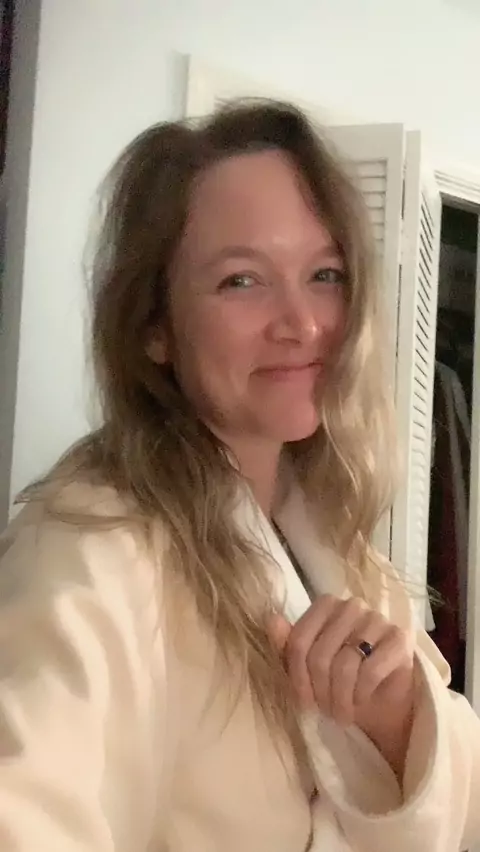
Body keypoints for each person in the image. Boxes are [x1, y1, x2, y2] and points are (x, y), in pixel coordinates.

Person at [0, 99, 479, 852]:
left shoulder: (338, 542)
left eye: (325, 274)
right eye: (242, 281)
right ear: (154, 327)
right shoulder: (90, 550)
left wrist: (400, 724)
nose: (305, 324)